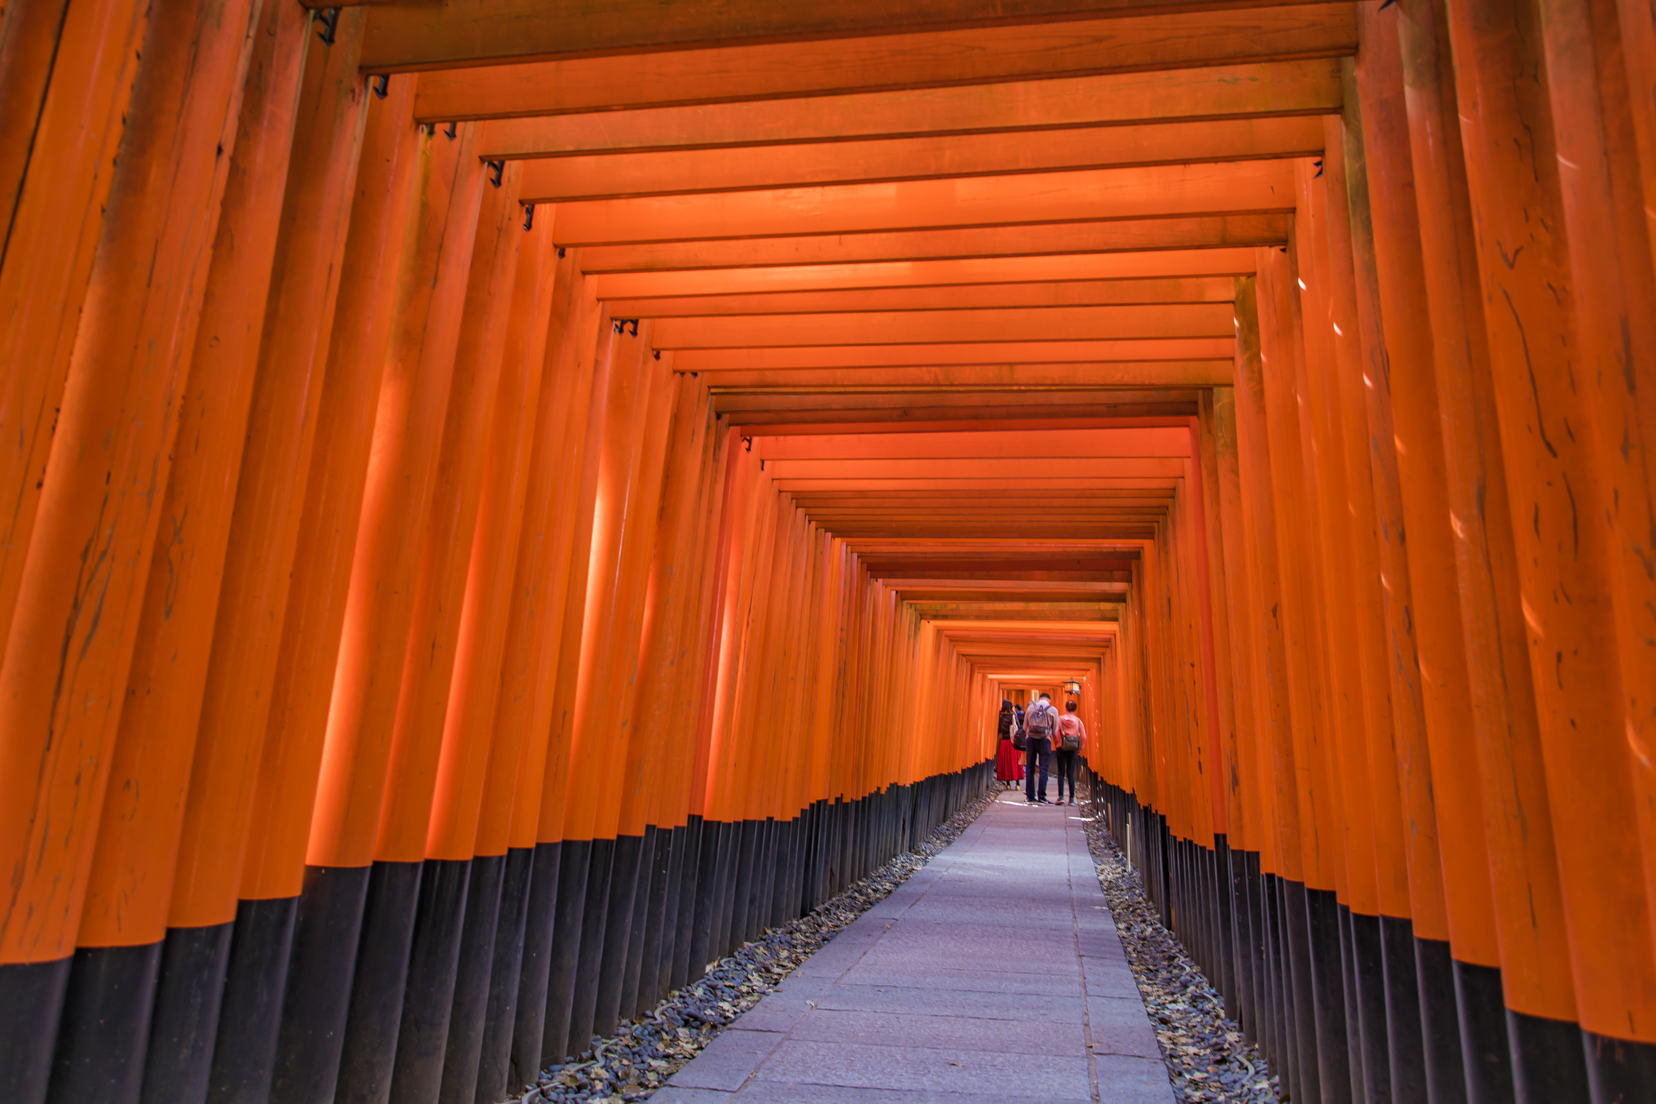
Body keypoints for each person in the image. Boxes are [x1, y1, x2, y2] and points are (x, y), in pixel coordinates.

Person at [1023, 691, 1056, 804]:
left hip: (1031, 739)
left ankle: (1030, 796)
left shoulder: (1031, 707)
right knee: (1043, 769)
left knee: (1030, 768)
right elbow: (1055, 730)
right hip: (1045, 740)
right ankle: (1041, 796)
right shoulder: (1053, 710)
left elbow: (1024, 727)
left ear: (1039, 699)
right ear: (1049, 700)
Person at [1053, 700, 1086, 806]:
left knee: (1061, 773)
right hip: (1073, 749)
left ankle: (1061, 797)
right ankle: (1071, 799)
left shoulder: (1061, 719)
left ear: (1066, 707)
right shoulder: (1078, 721)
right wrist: (1080, 747)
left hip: (1061, 747)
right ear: (1075, 709)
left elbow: (1055, 732)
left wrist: (1057, 743)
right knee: (1070, 774)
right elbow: (1084, 736)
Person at [994, 699, 1024, 788]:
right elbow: (1018, 728)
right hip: (1013, 743)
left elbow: (999, 730)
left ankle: (1008, 784)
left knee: (1006, 762)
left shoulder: (1000, 717)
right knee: (1015, 762)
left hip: (1004, 742)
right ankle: (1017, 784)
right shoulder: (1013, 716)